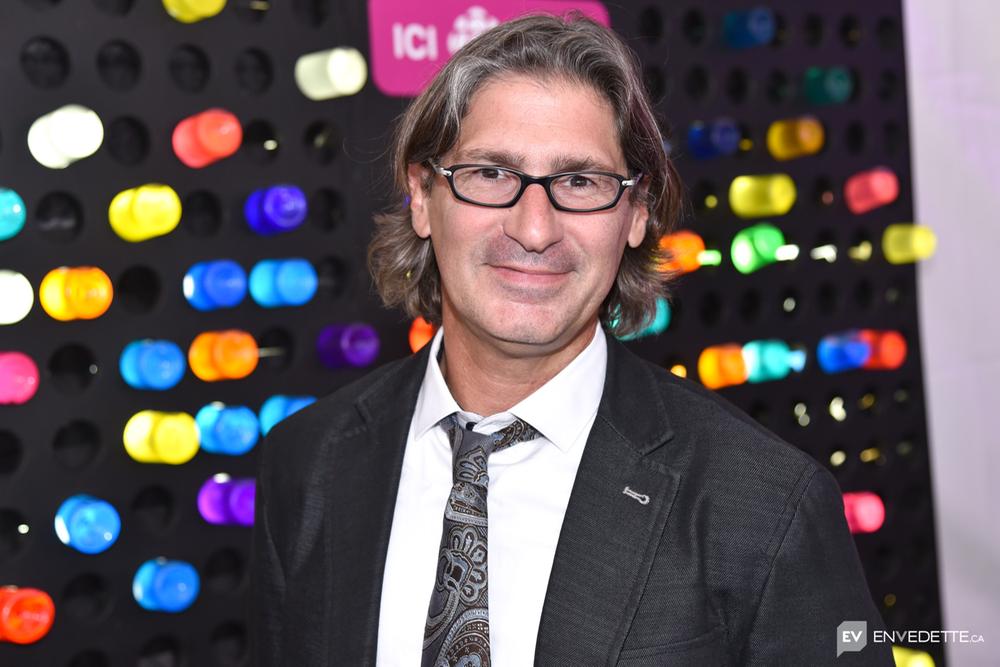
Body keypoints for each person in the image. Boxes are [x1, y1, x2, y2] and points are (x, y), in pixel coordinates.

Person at [251, 12, 893, 666]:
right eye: (491, 173)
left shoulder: (763, 507)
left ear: (636, 212)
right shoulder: (308, 462)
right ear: (422, 195)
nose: (534, 229)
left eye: (580, 182)